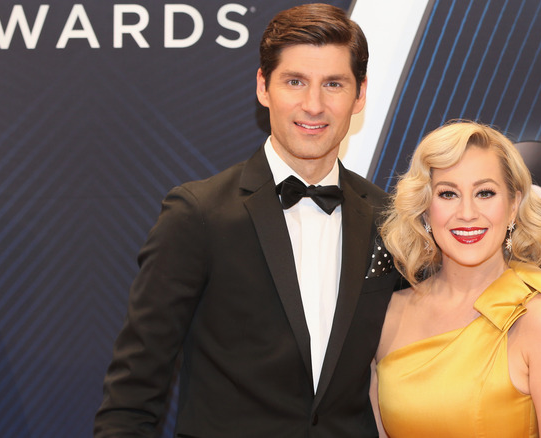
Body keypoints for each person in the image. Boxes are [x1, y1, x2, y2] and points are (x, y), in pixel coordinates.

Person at [94, 4, 400, 437]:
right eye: (295, 82)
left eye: (333, 84)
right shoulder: (198, 214)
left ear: (360, 94)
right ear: (263, 86)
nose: (313, 105)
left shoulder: (390, 219)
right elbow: (132, 395)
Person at [372, 120, 541, 437]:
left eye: (485, 193)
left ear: (513, 206)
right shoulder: (388, 314)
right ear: (425, 209)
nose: (467, 213)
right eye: (448, 194)